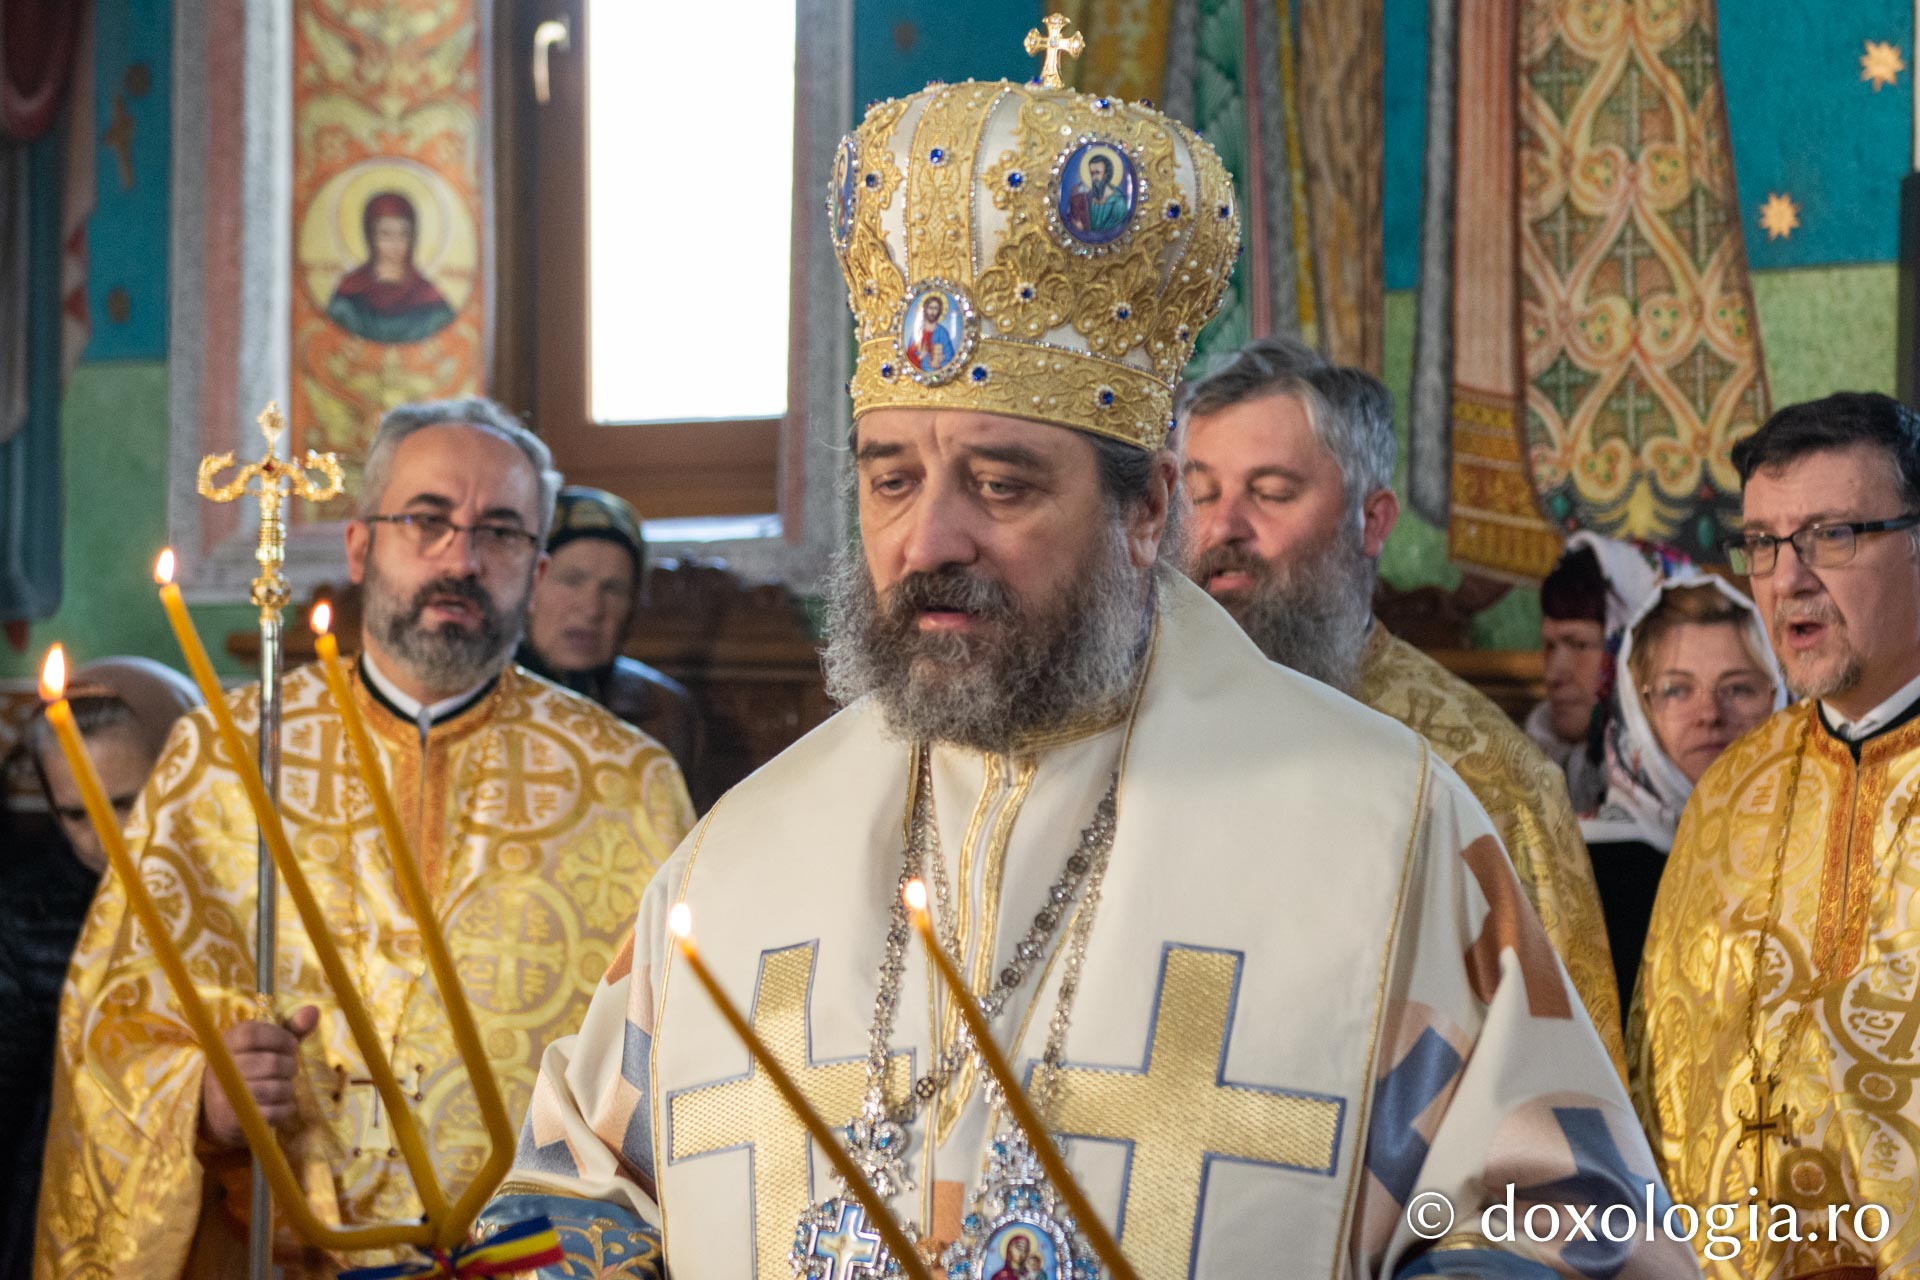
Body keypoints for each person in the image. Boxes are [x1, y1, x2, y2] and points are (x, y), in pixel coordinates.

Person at [475, 43, 1690, 1280]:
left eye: (1001, 484)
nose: (928, 540)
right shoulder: (738, 855)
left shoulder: (1382, 833)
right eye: (891, 478)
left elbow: (1575, 1231)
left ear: (1146, 510)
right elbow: (570, 1199)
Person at [35, 398, 695, 1278]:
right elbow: (110, 1031)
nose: (460, 559)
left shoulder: (628, 782)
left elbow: (676, 1065)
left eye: (500, 532)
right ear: (358, 547)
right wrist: (202, 1097)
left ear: (536, 571)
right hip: (283, 1251)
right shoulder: (222, 758)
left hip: (525, 1261)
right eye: (427, 519)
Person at [1179, 334, 1627, 1068]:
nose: (1223, 526)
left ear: (1374, 521)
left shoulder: (1486, 777)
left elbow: (1561, 1073)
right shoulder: (1135, 738)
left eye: (1271, 493)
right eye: (1200, 494)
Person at [1632, 392, 1920, 1276]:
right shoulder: (1729, 794)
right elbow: (1662, 1077)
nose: (1787, 579)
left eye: (1832, 536)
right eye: (1761, 542)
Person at [2, 660, 199, 1280]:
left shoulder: (244, 896)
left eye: (127, 802)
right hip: (65, 1220)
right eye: (77, 813)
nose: (106, 836)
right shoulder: (24, 917)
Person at [1582, 573, 1782, 1012]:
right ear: (1637, 709)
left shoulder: (1813, 853)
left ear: (1779, 699)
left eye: (1739, 688)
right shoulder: (1582, 870)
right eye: (1677, 690)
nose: (1710, 713)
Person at [517, 486, 703, 776]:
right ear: (528, 586)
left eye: (613, 589)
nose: (592, 609)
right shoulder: (475, 700)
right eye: (572, 581)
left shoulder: (665, 709)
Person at [326, 191, 457, 345]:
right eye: (386, 234)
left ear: (413, 237)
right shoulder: (349, 294)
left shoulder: (429, 297)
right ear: (370, 236)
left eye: (403, 234)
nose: (396, 244)